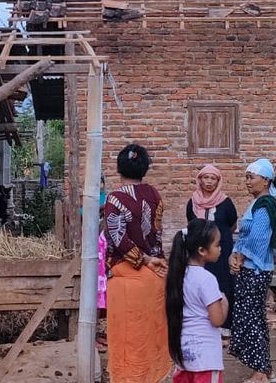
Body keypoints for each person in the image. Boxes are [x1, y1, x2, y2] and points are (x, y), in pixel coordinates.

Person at [104, 144, 172, 383]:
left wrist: (142, 258)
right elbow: (157, 232)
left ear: (119, 168)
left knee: (127, 341)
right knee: (152, 337)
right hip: (155, 277)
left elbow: (118, 238)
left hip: (128, 277)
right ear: (145, 168)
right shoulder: (155, 195)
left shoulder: (115, 199)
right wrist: (153, 259)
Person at [229, 159, 276, 383]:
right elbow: (245, 237)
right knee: (254, 318)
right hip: (249, 267)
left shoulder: (263, 206)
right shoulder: (259, 202)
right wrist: (234, 256)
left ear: (265, 181)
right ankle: (265, 368)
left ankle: (261, 372)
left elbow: (258, 239)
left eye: (251, 177)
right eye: (246, 177)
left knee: (252, 319)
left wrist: (241, 256)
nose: (247, 182)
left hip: (254, 270)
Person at [166, 219, 229, 383]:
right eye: (217, 244)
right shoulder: (207, 279)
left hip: (183, 353)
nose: (220, 248)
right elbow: (217, 320)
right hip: (205, 357)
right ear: (202, 250)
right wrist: (225, 303)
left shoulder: (178, 275)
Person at [185, 164, 237, 329]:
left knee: (222, 283)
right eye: (205, 178)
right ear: (199, 180)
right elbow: (191, 224)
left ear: (218, 181)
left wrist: (217, 240)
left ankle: (225, 325)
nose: (209, 182)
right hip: (200, 251)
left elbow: (232, 224)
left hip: (221, 250)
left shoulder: (225, 202)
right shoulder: (192, 202)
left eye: (213, 178)